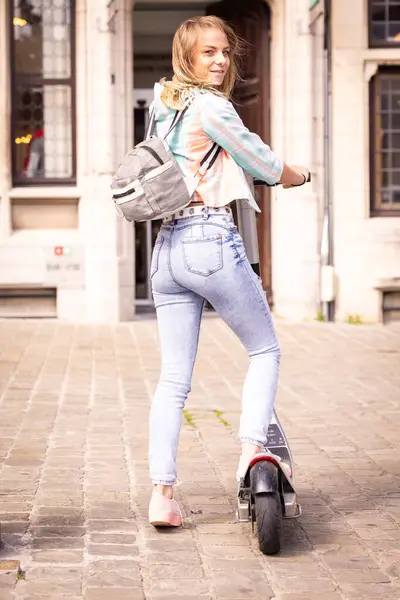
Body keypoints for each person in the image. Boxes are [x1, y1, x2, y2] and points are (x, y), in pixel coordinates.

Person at [147, 15, 309, 527]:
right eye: (207, 53)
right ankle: (251, 454)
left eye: (224, 53)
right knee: (265, 349)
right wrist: (297, 175)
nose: (219, 61)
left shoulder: (163, 105)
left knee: (173, 379)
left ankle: (162, 497)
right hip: (209, 239)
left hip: (166, 251)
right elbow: (258, 160)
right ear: (187, 57)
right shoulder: (211, 105)